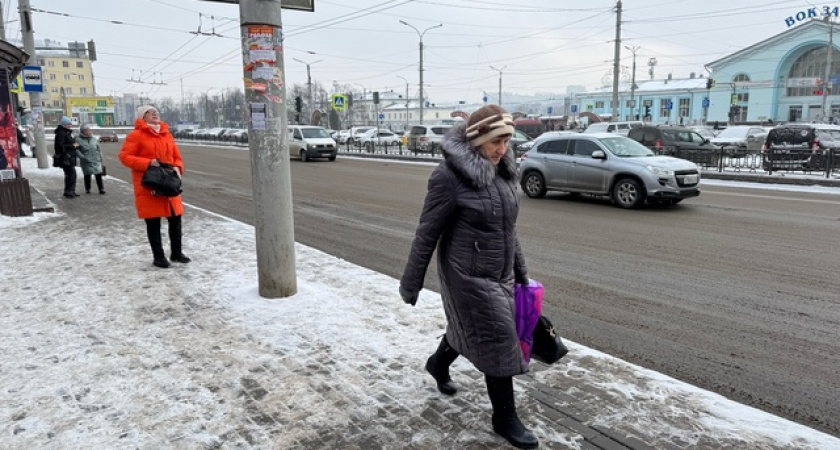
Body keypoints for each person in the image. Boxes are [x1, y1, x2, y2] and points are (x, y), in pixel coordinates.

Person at [399, 105, 537, 449]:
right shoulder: (448, 177)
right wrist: (411, 282)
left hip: (500, 272)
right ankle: (505, 418)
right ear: (477, 139)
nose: (503, 149)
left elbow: (508, 230)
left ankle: (437, 363)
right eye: (496, 141)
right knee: (499, 338)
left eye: (507, 141)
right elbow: (427, 231)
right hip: (467, 275)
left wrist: (521, 273)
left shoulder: (503, 173)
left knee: (469, 330)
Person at [119, 105, 190, 269]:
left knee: (175, 219)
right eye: (149, 113)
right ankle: (158, 257)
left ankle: (176, 253)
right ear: (142, 117)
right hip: (149, 186)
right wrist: (148, 163)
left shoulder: (166, 135)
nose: (154, 114)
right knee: (153, 223)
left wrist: (178, 168)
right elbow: (124, 157)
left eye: (156, 112)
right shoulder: (136, 135)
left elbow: (176, 157)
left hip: (169, 183)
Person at [54, 116, 80, 198]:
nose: (69, 125)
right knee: (71, 174)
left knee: (70, 174)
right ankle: (69, 191)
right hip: (66, 158)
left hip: (69, 157)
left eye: (70, 124)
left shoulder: (65, 132)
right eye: (67, 124)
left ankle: (70, 191)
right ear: (63, 124)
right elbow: (61, 146)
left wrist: (74, 145)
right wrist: (73, 146)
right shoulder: (61, 133)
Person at [76, 123, 106, 194]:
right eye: (86, 131)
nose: (88, 132)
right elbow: (76, 150)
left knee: (98, 174)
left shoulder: (94, 139)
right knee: (87, 175)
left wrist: (100, 156)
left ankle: (101, 188)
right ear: (82, 131)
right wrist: (83, 157)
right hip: (86, 160)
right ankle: (88, 188)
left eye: (89, 130)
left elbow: (98, 149)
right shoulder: (78, 139)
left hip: (96, 159)